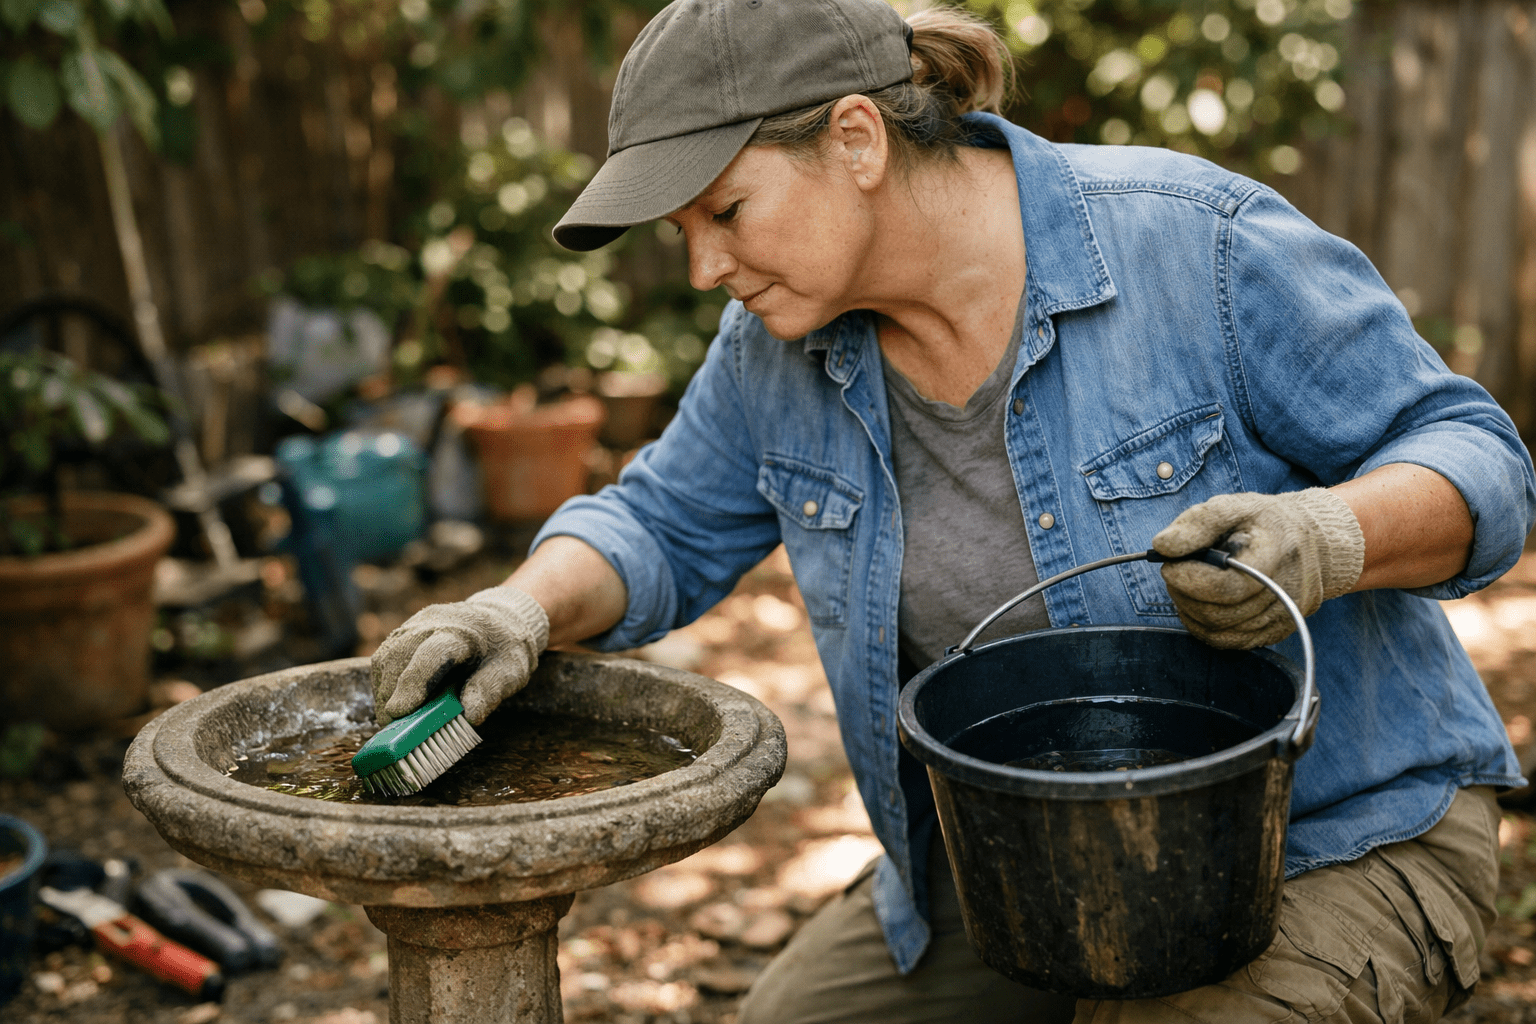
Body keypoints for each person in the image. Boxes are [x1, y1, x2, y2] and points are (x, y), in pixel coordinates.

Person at [369, 0, 1536, 1020]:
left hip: (1334, 834)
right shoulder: (775, 351)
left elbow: (1480, 458)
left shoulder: (1199, 246)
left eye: (725, 211)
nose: (701, 268)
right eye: (683, 234)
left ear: (857, 138)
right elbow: (661, 522)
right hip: (1027, 856)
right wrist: (516, 607)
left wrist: (1328, 538)